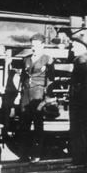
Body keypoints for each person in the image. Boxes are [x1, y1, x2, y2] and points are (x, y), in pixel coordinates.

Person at [18, 33, 53, 163]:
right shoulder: (26, 59)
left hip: (38, 95)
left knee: (38, 126)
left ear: (42, 45)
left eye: (36, 45)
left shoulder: (48, 59)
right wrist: (18, 94)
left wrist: (47, 97)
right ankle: (23, 155)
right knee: (24, 126)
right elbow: (22, 78)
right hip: (25, 95)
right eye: (32, 45)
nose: (34, 48)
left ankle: (36, 155)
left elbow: (50, 80)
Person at [68, 37, 87, 169]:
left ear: (81, 46)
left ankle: (79, 160)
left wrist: (74, 94)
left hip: (78, 97)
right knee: (85, 128)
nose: (72, 49)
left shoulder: (80, 59)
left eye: (74, 46)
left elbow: (80, 81)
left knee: (77, 129)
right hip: (85, 96)